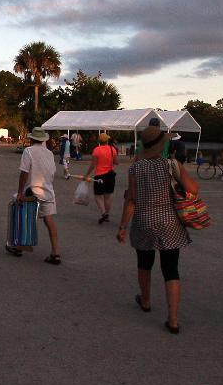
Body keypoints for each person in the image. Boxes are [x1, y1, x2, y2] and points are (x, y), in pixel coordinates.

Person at [116, 124, 198, 334]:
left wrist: (123, 226)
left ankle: (145, 300)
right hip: (170, 223)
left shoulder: (135, 168)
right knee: (171, 269)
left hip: (144, 222)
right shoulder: (172, 165)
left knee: (144, 263)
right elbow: (193, 189)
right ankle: (173, 319)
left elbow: (132, 200)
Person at [10, 127, 61, 264]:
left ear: (32, 139)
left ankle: (20, 245)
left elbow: (24, 172)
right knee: (49, 221)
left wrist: (20, 192)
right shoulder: (49, 154)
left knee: (22, 215)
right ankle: (56, 252)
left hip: (32, 191)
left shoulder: (28, 151)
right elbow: (52, 172)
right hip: (47, 191)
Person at [83, 133, 119, 224]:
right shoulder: (112, 149)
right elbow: (116, 162)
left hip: (100, 175)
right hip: (110, 175)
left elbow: (93, 165)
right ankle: (107, 214)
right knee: (108, 196)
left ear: (99, 141)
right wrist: (112, 168)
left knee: (98, 196)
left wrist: (86, 175)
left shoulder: (96, 150)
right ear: (107, 140)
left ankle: (103, 213)